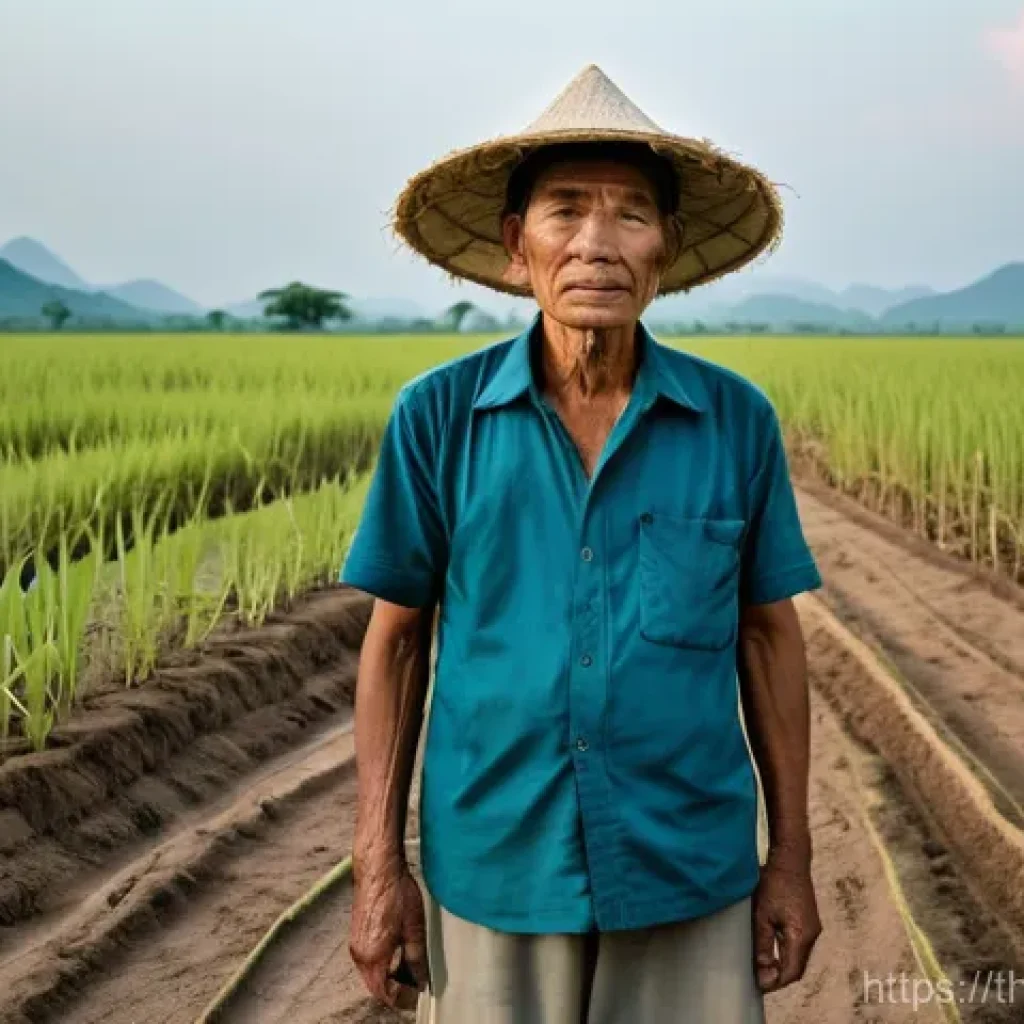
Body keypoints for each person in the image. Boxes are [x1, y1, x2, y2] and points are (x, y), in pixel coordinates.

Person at [341, 64, 823, 1024]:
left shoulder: (735, 422)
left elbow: (769, 639)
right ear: (518, 247)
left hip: (686, 862)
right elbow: (394, 644)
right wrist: (377, 866)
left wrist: (794, 863)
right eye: (566, 211)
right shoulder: (437, 418)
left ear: (667, 251)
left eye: (632, 215)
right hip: (496, 866)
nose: (598, 243)